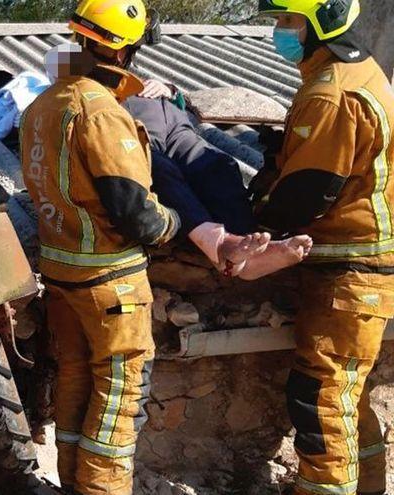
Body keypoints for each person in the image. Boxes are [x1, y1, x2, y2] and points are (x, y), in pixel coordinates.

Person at [20, 1, 179, 493]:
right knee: (120, 398)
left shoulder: (43, 106)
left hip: (62, 277)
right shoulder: (100, 112)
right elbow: (136, 213)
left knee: (74, 381)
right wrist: (174, 224)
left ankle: (72, 483)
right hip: (111, 283)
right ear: (126, 48)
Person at [254, 1, 394, 494]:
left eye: (287, 21)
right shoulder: (366, 70)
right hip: (364, 267)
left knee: (320, 401)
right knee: (346, 400)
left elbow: (307, 193)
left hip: (348, 271)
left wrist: (255, 222)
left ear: (319, 23)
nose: (279, 31)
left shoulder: (330, 93)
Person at [44, 43, 313, 279]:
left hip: (174, 124)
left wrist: (169, 89)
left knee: (220, 165)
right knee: (162, 173)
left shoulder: (122, 74)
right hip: (140, 137)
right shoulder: (71, 98)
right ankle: (219, 245)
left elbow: (181, 101)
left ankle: (249, 247)